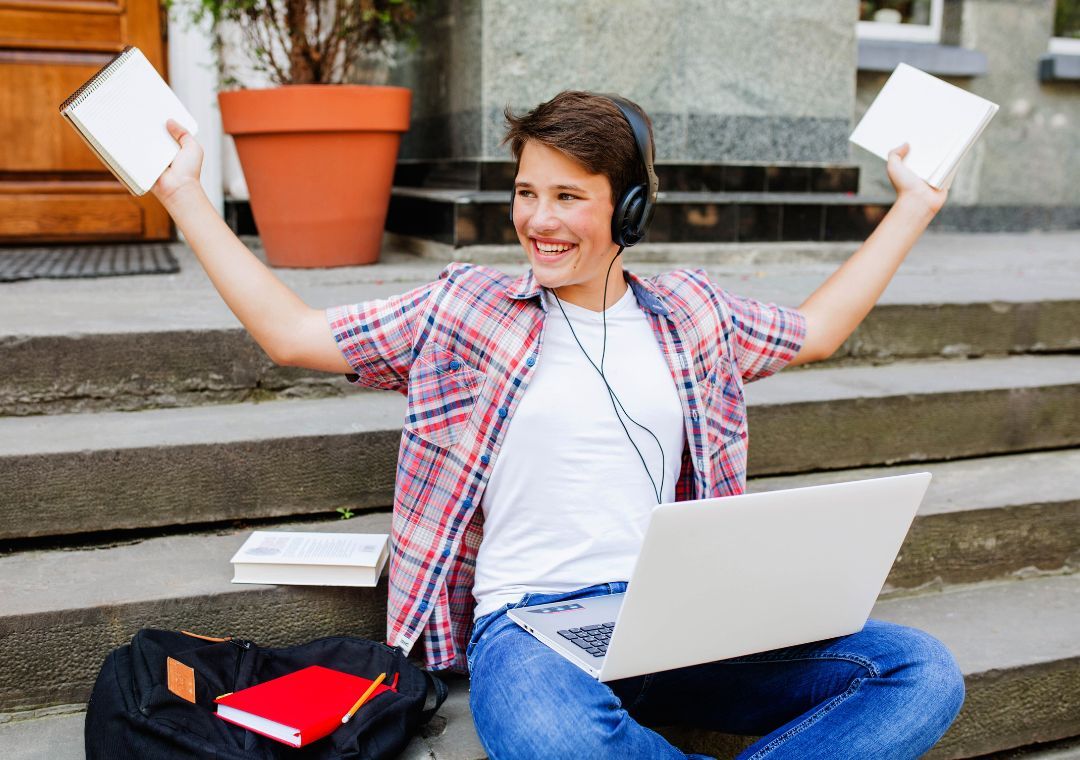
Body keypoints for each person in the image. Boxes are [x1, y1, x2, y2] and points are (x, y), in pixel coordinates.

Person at [153, 90, 965, 759]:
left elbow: (817, 332)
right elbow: (291, 337)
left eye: (568, 197)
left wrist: (916, 204)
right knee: (553, 738)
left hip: (679, 622)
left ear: (631, 208)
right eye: (525, 192)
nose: (538, 220)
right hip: (530, 632)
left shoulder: (691, 313)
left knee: (920, 670)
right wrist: (183, 193)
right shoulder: (466, 309)